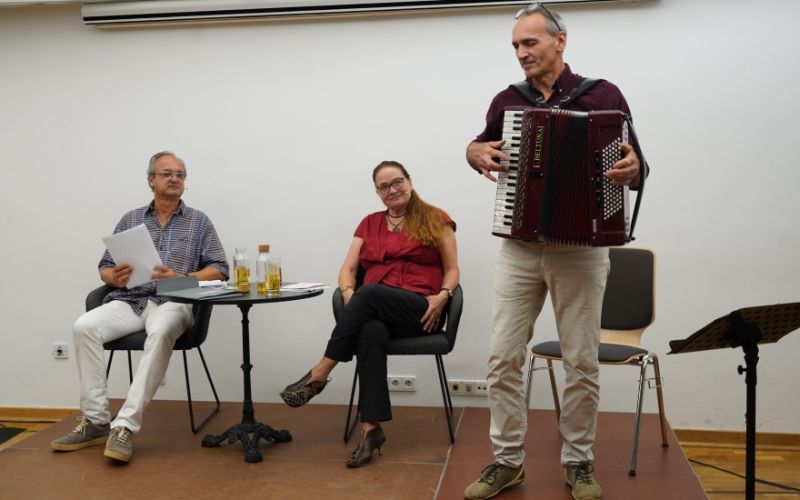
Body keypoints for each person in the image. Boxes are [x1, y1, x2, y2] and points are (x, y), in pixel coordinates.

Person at [463, 4, 643, 500]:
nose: (522, 54)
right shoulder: (508, 100)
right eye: (516, 46)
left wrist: (632, 172)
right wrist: (474, 151)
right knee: (502, 357)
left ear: (560, 41)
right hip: (520, 249)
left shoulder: (604, 96)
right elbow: (480, 147)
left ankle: (579, 462)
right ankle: (507, 461)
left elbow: (637, 165)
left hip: (581, 250)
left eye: (530, 43)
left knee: (581, 360)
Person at [51, 151, 229, 463]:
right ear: (151, 180)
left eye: (180, 175)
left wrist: (183, 277)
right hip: (131, 300)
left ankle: (125, 426)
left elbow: (220, 269)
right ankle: (95, 422)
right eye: (167, 173)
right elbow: (105, 267)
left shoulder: (199, 221)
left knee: (160, 330)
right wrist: (114, 276)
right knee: (84, 327)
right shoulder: (131, 219)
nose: (175, 179)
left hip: (175, 300)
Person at [280, 160, 459, 468]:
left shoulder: (435, 218)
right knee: (370, 330)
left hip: (420, 310)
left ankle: (320, 372)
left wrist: (442, 297)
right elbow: (348, 270)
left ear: (410, 182)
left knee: (371, 292)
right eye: (384, 186)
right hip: (375, 311)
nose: (393, 190)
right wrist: (349, 293)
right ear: (377, 192)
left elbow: (453, 269)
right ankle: (371, 431)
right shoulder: (369, 223)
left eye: (397, 182)